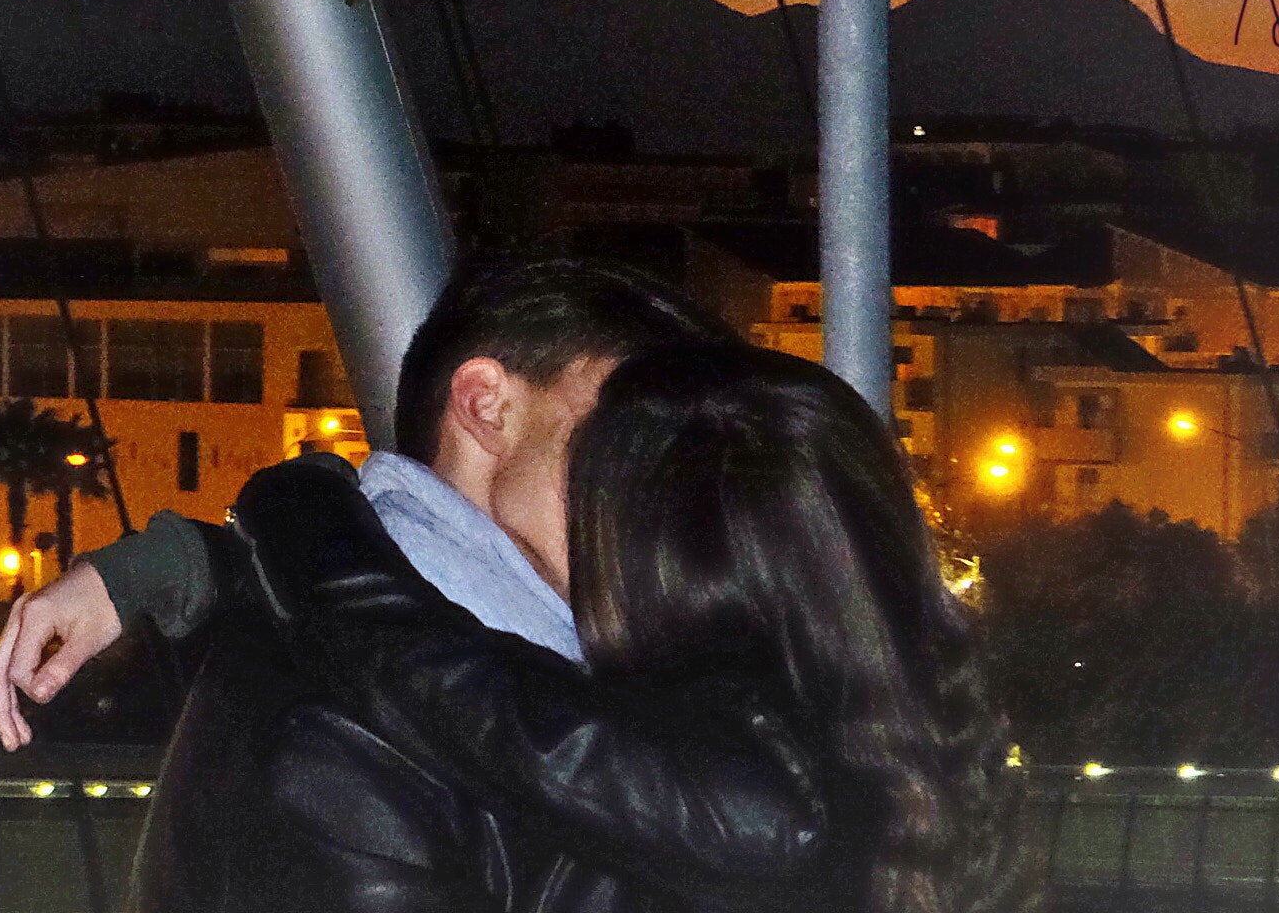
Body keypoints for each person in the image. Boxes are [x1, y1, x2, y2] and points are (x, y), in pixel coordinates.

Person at [232, 340, 1032, 913]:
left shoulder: (751, 799)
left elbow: (433, 672)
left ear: (654, 562)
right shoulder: (899, 731)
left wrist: (298, 505)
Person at [0, 255, 727, 746]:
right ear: (486, 406)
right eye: (629, 423)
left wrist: (177, 565)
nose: (664, 470)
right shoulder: (359, 706)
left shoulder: (403, 643)